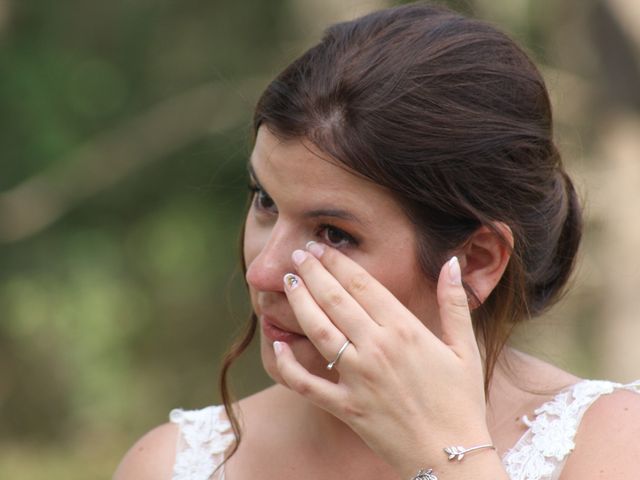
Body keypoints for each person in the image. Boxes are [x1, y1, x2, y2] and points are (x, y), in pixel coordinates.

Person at [114, 3, 640, 479]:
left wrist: (451, 460)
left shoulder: (611, 447)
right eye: (265, 201)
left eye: (334, 234)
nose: (264, 272)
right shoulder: (173, 464)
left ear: (475, 262)